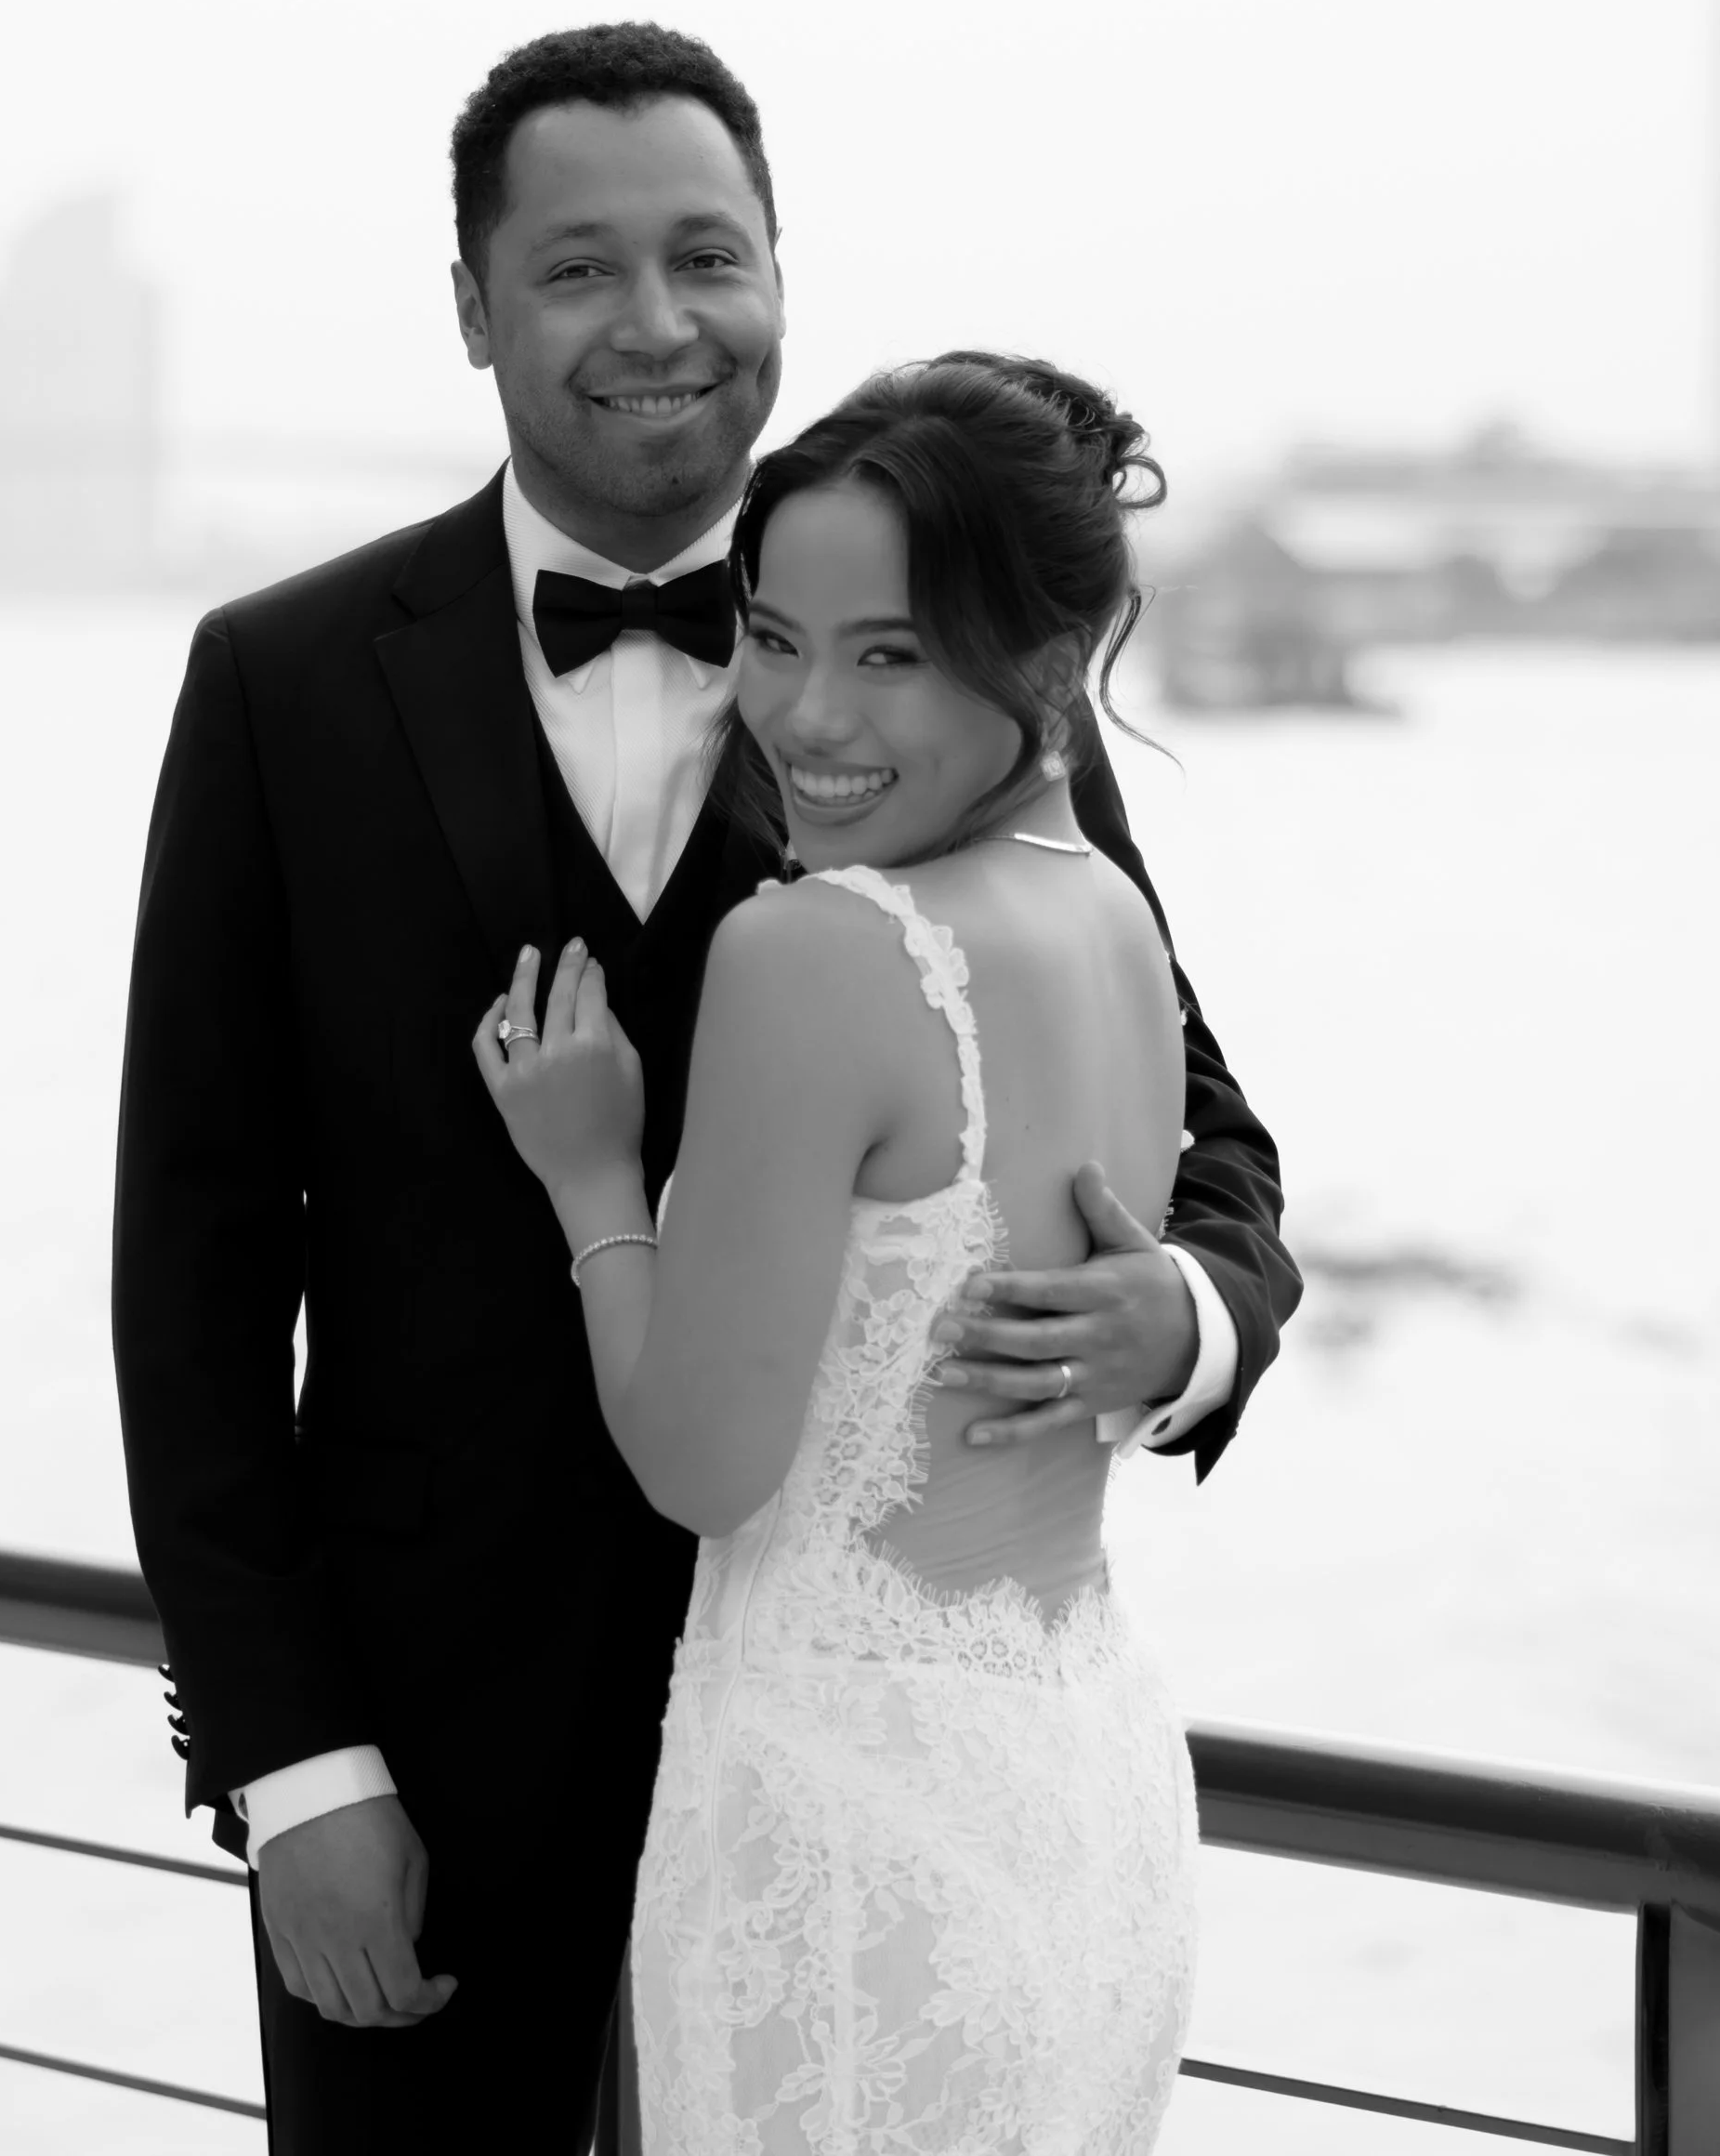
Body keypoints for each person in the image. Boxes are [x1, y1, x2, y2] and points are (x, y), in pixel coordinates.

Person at [112, 22, 1297, 2155]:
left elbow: (1192, 1114)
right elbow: (188, 1275)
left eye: (706, 254)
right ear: (472, 302)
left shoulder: (955, 648)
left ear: (776, 273)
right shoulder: (280, 680)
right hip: (429, 1768)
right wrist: (293, 1766)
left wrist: (1185, 1318)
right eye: (577, 266)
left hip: (860, 1766)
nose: (656, 321)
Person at [479, 351, 1201, 2151]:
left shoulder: (810, 948)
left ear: (1045, 658)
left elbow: (701, 1461)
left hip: (845, 1814)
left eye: (889, 654)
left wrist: (590, 1174)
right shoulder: (1116, 922)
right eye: (776, 638)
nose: (805, 715)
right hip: (1084, 1788)